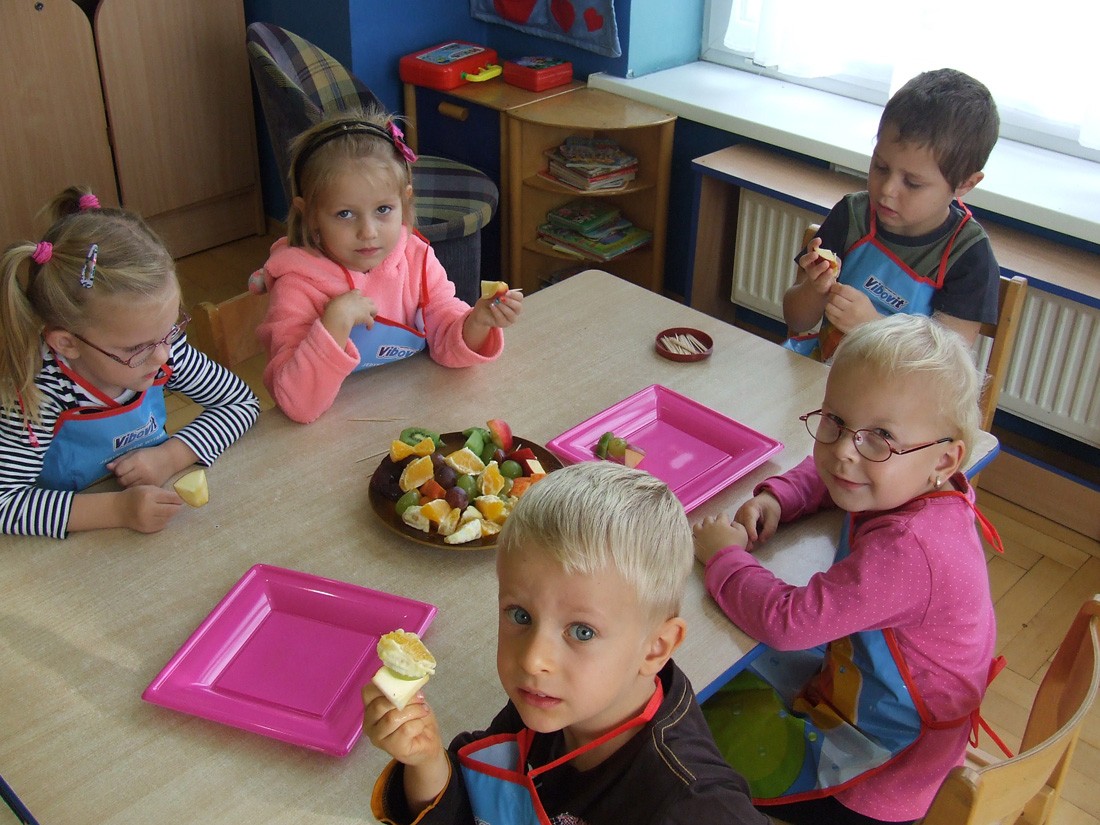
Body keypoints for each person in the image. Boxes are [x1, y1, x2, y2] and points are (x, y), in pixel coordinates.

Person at [693, 314, 1004, 825]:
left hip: (883, 772)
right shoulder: (911, 482)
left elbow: (788, 622)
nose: (842, 451)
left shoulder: (907, 548)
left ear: (945, 461)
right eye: (834, 421)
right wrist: (779, 498)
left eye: (880, 436)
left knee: (686, 728)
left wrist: (724, 557)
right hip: (871, 697)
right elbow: (834, 473)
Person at [364, 461, 770, 825]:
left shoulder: (693, 806)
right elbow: (480, 798)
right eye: (520, 616)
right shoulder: (551, 701)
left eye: (582, 632)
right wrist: (425, 761)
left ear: (656, 648)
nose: (533, 658)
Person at [0, 187, 260, 538]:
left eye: (169, 330)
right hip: (75, 540)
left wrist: (169, 457)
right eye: (137, 348)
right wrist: (118, 509)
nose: (163, 356)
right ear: (67, 344)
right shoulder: (38, 393)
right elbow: (5, 502)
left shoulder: (160, 347)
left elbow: (241, 403)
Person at [250, 108, 522, 423]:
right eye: (344, 214)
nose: (368, 232)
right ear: (309, 215)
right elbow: (296, 404)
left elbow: (445, 340)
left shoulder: (416, 259)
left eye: (383, 209)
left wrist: (477, 322)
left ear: (404, 201)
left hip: (411, 414)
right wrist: (334, 324)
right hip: (338, 433)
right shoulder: (296, 286)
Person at [783, 68, 1001, 362]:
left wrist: (873, 328)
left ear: (965, 183)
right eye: (881, 167)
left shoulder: (968, 257)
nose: (887, 190)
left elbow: (944, 368)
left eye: (912, 183)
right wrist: (814, 289)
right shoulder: (853, 216)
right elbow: (796, 320)